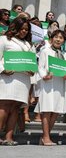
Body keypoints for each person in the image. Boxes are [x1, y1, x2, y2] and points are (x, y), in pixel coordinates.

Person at [0, 17, 35, 145]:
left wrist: (32, 70)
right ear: (15, 27)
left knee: (15, 107)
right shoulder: (4, 39)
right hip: (8, 77)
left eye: (26, 29)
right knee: (4, 106)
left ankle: (9, 137)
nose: (24, 31)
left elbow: (32, 62)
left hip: (23, 79)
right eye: (22, 28)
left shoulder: (29, 45)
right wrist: (3, 69)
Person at [34, 30, 66, 145]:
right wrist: (44, 76)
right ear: (52, 38)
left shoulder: (65, 55)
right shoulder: (45, 51)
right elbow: (40, 67)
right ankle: (46, 137)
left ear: (64, 41)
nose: (58, 39)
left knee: (55, 111)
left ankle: (45, 136)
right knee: (46, 110)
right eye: (56, 37)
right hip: (48, 84)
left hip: (60, 85)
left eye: (61, 38)